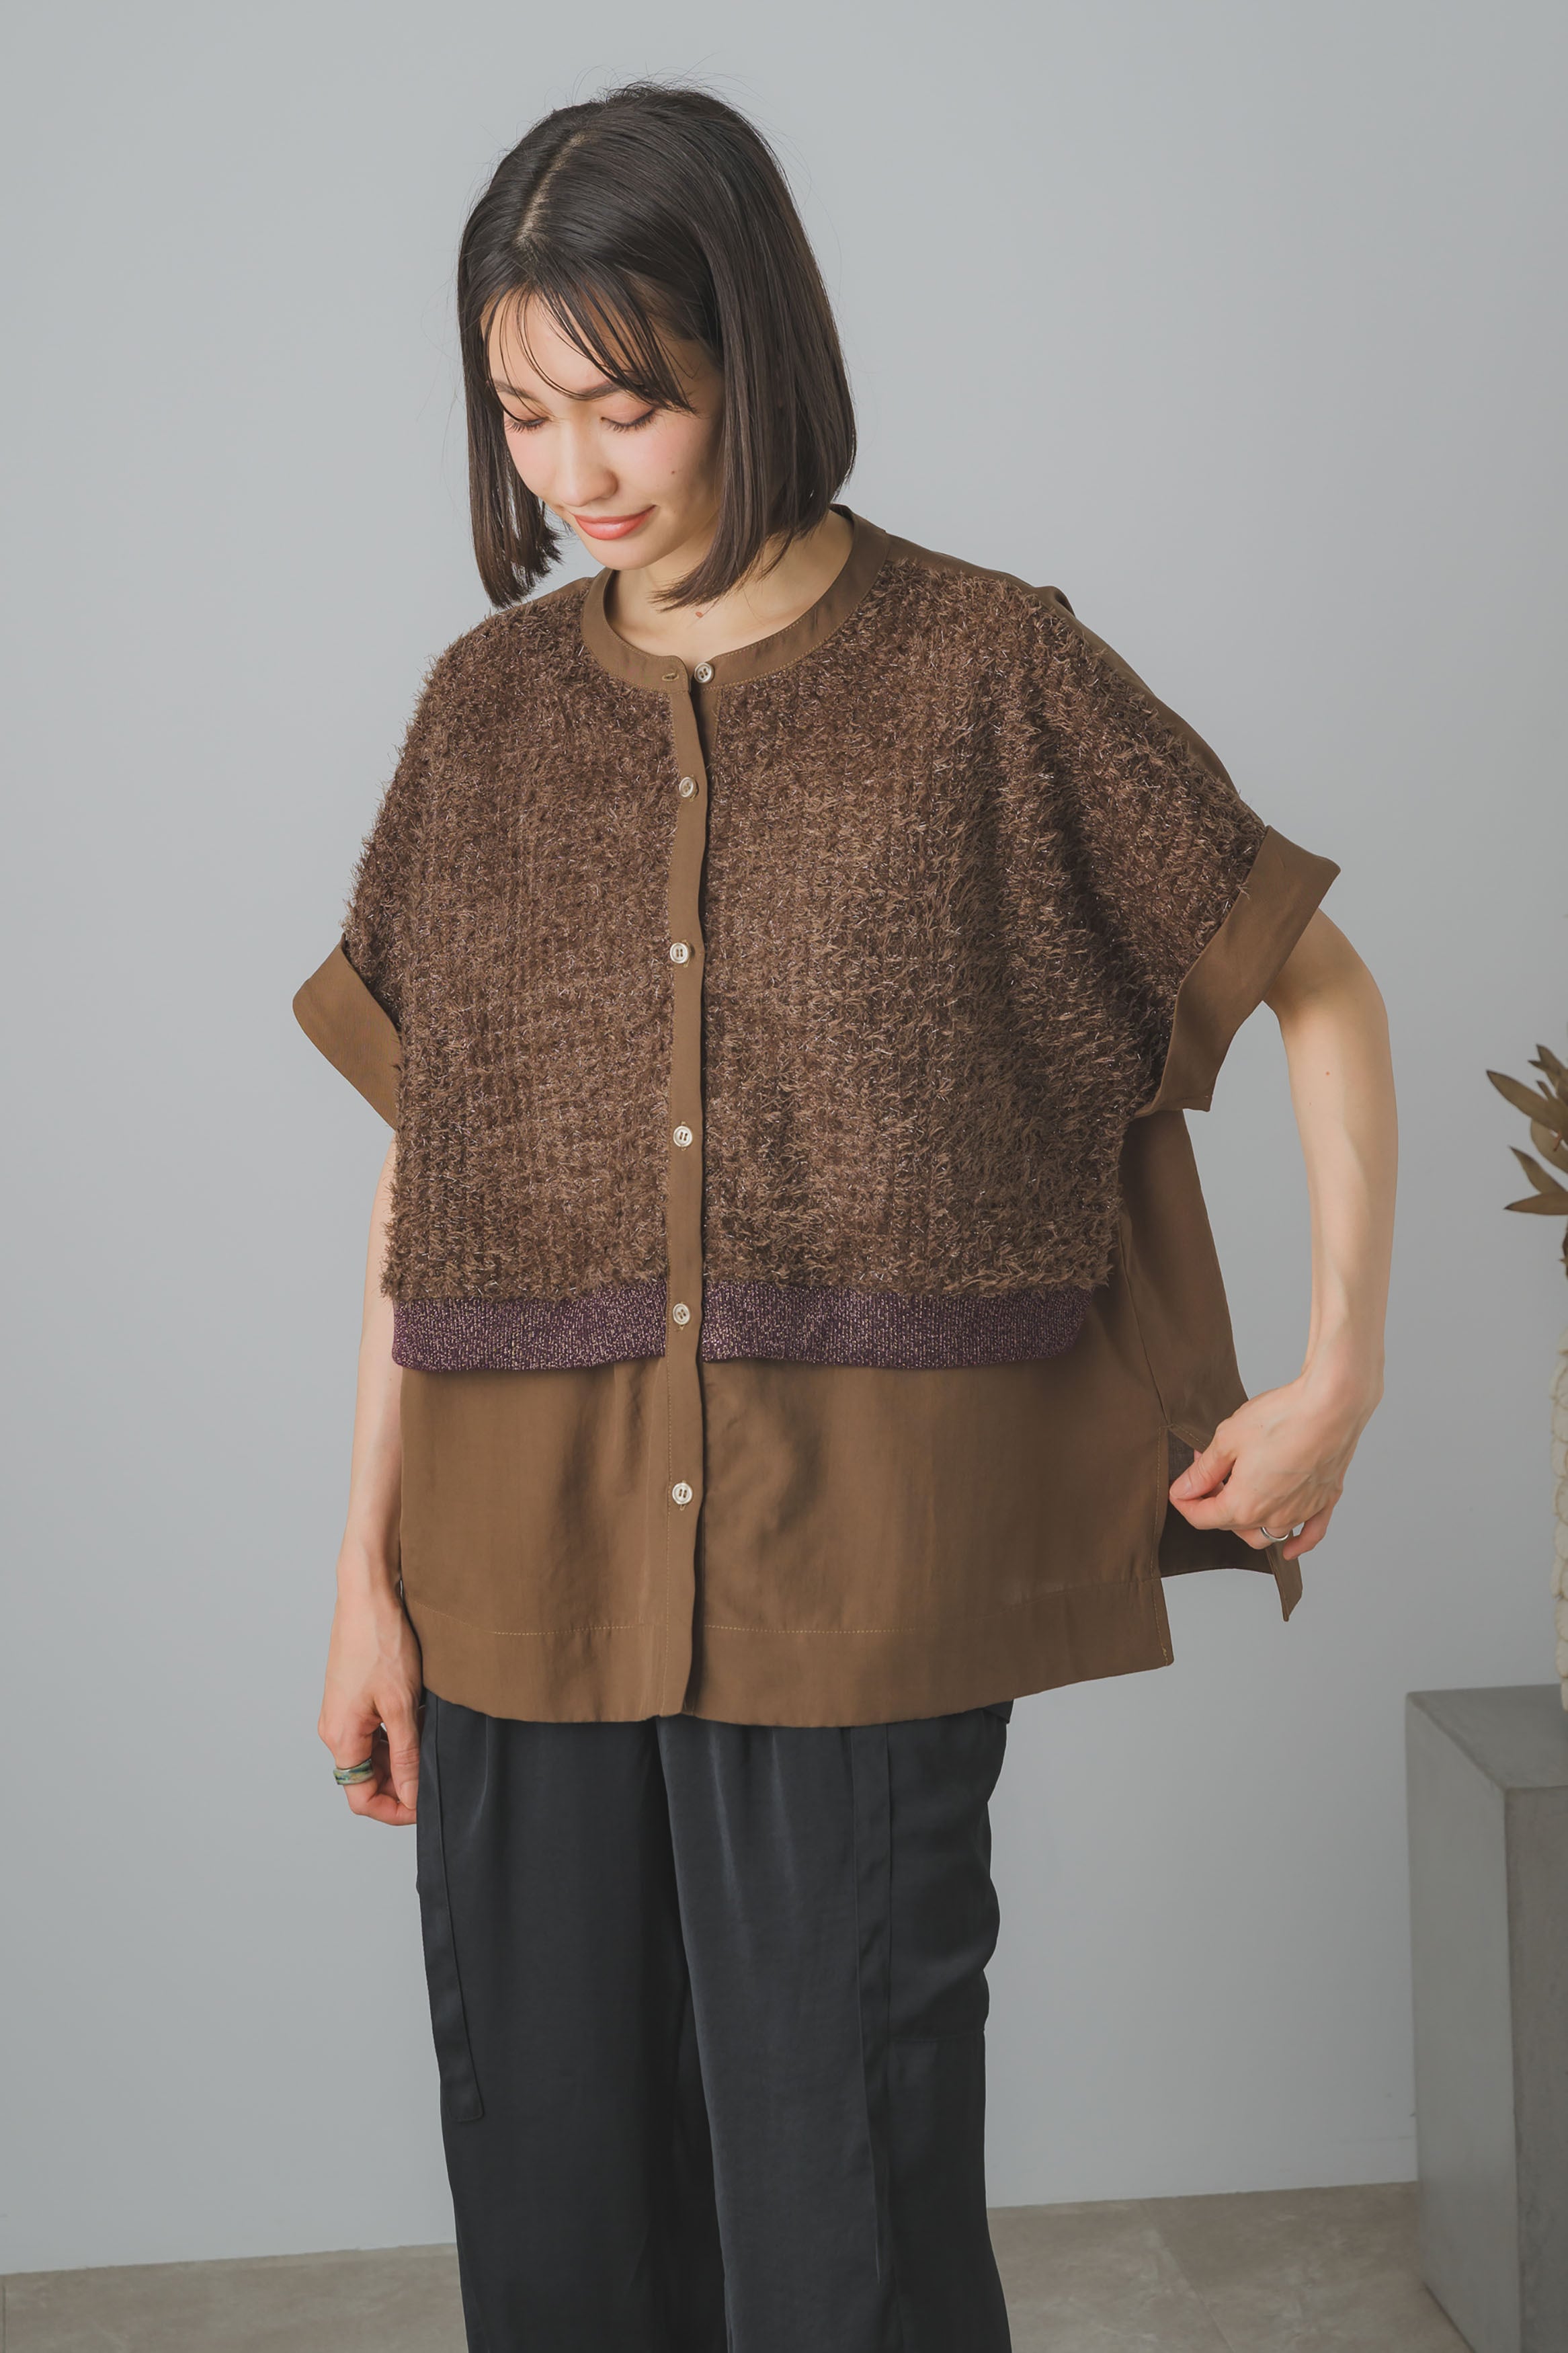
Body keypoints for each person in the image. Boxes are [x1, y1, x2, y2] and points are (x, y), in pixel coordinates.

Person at [292, 79, 1397, 2353]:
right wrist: (361, 1575)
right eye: (522, 415)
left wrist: (1342, 1374)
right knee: (560, 2222)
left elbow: (1316, 979)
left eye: (627, 405)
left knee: (850, 2235)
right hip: (513, 1575)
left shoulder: (991, 670)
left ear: (754, 358)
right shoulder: (481, 719)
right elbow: (434, 1166)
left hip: (859, 1569)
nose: (575, 473)